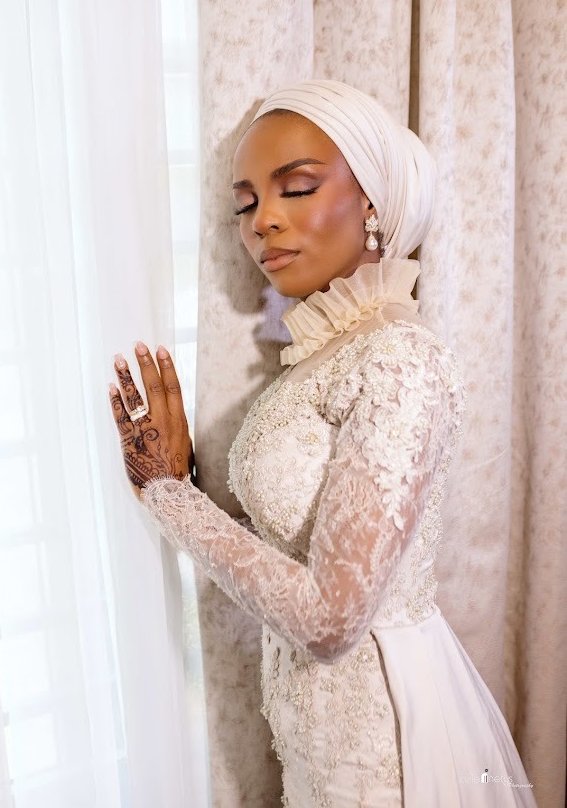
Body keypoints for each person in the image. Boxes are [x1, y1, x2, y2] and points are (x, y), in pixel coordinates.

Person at [108, 80, 537, 807]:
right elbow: (298, 543)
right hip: (315, 745)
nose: (262, 222)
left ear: (371, 200)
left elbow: (332, 617)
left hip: (385, 753)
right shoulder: (316, 357)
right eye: (245, 204)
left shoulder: (402, 357)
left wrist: (169, 496)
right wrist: (192, 478)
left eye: (296, 188)